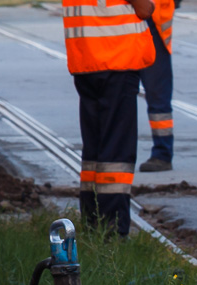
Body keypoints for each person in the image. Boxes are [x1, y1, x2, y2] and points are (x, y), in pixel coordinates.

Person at [64, 0, 157, 236]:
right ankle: (112, 231)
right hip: (117, 57)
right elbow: (144, 9)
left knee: (94, 153)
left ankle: (92, 223)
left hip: (85, 60)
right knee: (116, 152)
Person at [139, 0, 176, 172]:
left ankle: (162, 153)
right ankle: (117, 154)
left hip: (152, 21)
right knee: (120, 93)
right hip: (123, 22)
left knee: (158, 95)